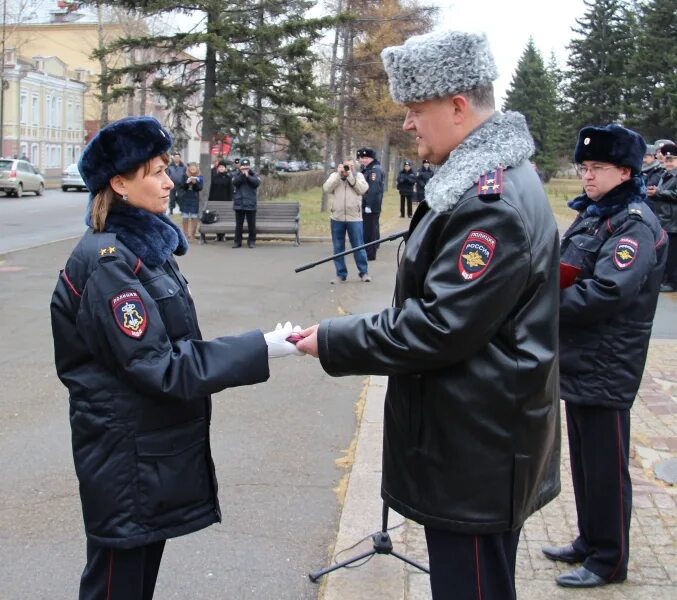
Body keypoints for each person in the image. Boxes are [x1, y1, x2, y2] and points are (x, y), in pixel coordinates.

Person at [295, 30, 561, 600]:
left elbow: (439, 325)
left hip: (476, 448)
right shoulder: (482, 186)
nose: (409, 125)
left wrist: (336, 338)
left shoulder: (491, 207)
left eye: (417, 110)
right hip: (477, 434)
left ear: (458, 106)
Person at [49, 116, 301, 600]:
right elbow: (159, 366)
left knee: (134, 582)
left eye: (167, 169)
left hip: (145, 454)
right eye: (155, 173)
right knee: (116, 586)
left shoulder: (141, 250)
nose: (170, 181)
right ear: (118, 184)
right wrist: (260, 347)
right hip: (127, 461)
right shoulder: (109, 263)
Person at [543, 125, 667, 588]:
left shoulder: (634, 223)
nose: (587, 176)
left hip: (607, 362)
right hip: (582, 358)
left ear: (626, 171)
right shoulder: (597, 216)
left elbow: (606, 292)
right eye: (585, 167)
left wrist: (540, 307)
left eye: (597, 168)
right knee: (585, 461)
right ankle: (589, 539)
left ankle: (610, 560)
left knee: (607, 467)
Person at [323, 158, 371, 284]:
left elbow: (362, 189)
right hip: (337, 217)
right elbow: (326, 188)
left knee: (359, 246)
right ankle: (341, 274)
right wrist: (338, 175)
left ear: (353, 167)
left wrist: (350, 177)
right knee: (338, 247)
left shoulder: (358, 176)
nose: (346, 169)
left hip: (354, 218)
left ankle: (364, 272)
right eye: (345, 166)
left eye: (349, 167)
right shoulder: (335, 176)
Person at [648, 142, 677, 292]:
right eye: (666, 160)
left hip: (674, 222)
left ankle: (673, 282)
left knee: (673, 255)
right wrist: (654, 193)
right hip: (663, 220)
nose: (668, 163)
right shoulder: (665, 175)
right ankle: (665, 279)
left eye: (671, 160)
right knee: (665, 252)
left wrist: (658, 193)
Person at [357, 147, 384, 260]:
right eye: (362, 158)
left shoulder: (374, 170)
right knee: (371, 229)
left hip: (371, 205)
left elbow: (373, 189)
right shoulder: (367, 169)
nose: (363, 160)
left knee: (370, 231)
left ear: (371, 158)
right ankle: (371, 249)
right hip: (368, 204)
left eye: (366, 158)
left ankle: (370, 254)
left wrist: (368, 205)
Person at [232, 158, 260, 248]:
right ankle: (237, 242)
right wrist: (242, 175)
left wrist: (247, 176)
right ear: (240, 166)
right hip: (239, 203)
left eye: (246, 166)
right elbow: (235, 182)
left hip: (250, 203)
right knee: (238, 225)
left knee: (251, 225)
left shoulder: (254, 174)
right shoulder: (236, 174)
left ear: (249, 166)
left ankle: (251, 241)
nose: (245, 168)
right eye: (243, 166)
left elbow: (256, 183)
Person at [180, 162, 203, 241]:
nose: (192, 169)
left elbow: (200, 188)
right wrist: (187, 182)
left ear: (197, 168)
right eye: (191, 168)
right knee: (185, 217)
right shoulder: (184, 175)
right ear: (189, 168)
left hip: (194, 198)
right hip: (186, 197)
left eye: (194, 168)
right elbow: (182, 187)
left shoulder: (199, 177)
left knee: (194, 217)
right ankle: (185, 235)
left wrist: (195, 183)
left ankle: (193, 235)